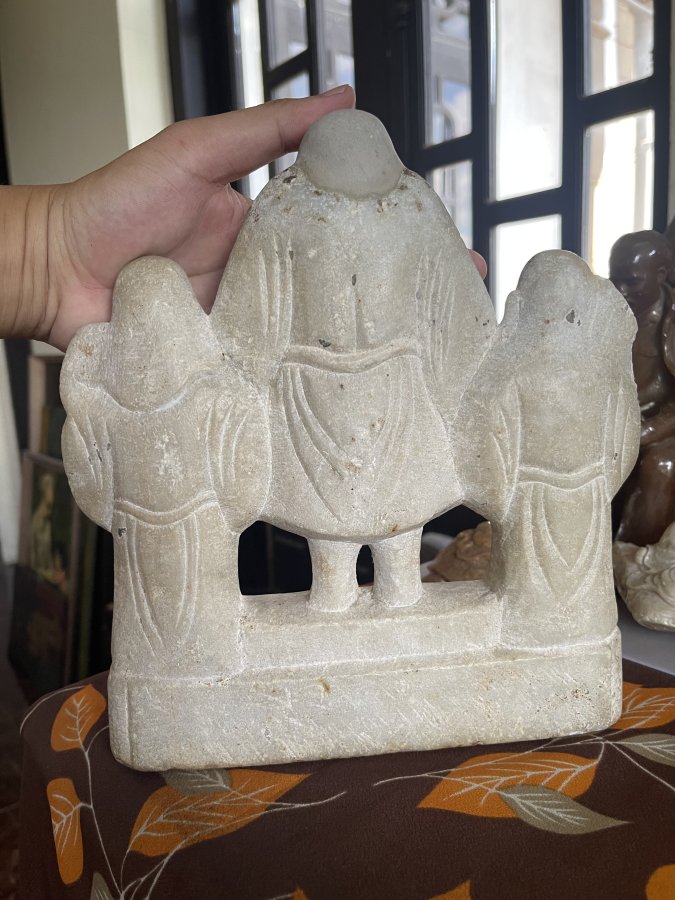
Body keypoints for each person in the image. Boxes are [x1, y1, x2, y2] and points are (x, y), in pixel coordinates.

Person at [0, 86, 487, 351]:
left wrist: (51, 255)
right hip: (300, 372)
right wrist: (52, 254)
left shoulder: (418, 208)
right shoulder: (281, 205)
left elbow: (457, 311)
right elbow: (240, 317)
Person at [609, 229, 675, 546]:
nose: (620, 290)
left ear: (661, 274)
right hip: (611, 421)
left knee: (660, 467)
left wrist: (644, 433)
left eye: (632, 281)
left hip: (663, 428)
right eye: (615, 279)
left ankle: (629, 558)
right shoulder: (602, 313)